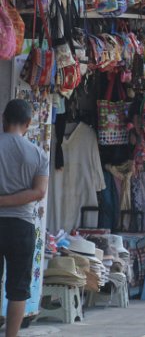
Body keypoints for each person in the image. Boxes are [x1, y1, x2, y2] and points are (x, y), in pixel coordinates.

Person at [0, 99, 49, 337]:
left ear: (3, 119)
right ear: (28, 124)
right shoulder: (38, 154)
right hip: (22, 227)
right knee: (18, 290)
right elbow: (39, 192)